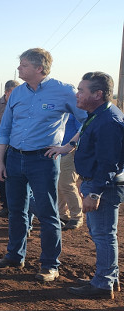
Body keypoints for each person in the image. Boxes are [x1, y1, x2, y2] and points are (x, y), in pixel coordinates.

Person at [0, 48, 87, 282]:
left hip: (43, 160)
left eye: (23, 65)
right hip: (14, 158)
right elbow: (4, 129)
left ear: (39, 68)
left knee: (47, 213)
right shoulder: (17, 94)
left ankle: (49, 265)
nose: (19, 69)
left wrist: (69, 146)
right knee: (16, 211)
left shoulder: (64, 91)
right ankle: (15, 255)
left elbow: (88, 120)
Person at [57, 72, 124, 299]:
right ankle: (107, 278)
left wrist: (94, 193)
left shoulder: (109, 121)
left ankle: (103, 284)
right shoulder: (98, 114)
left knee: (103, 235)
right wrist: (70, 145)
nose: (77, 94)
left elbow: (108, 162)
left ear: (98, 94)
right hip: (99, 183)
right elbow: (84, 130)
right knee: (103, 234)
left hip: (103, 186)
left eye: (81, 90)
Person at [0, 80, 20, 217]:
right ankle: (6, 206)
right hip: (0, 147)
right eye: (13, 92)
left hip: (18, 146)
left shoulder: (21, 104)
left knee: (18, 177)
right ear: (6, 92)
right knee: (1, 177)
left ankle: (19, 207)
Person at [58, 114, 83, 230]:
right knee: (59, 185)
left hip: (69, 152)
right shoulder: (58, 105)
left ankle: (76, 217)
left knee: (67, 184)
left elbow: (82, 130)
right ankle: (63, 215)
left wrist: (72, 147)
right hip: (56, 151)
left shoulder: (75, 109)